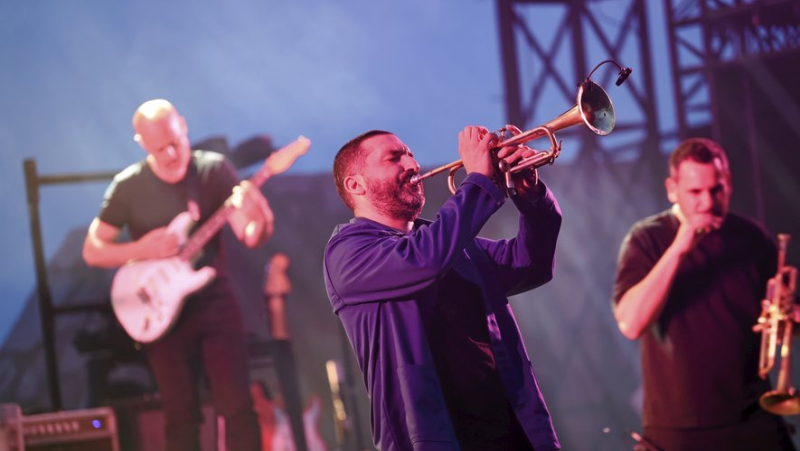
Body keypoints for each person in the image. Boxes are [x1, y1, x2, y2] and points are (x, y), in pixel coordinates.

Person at [323, 126, 562, 450]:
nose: (412, 165)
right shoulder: (348, 252)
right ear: (356, 184)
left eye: (410, 154)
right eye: (394, 158)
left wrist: (532, 197)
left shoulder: (448, 242)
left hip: (513, 435)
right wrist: (478, 178)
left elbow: (529, 265)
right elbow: (424, 259)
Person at [83, 99, 273, 451]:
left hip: (214, 302)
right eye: (160, 148)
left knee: (237, 406)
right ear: (141, 143)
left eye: (176, 141)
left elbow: (249, 235)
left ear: (184, 126)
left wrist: (259, 213)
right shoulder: (128, 186)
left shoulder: (213, 170)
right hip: (159, 310)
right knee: (180, 414)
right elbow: (93, 250)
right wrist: (141, 250)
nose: (172, 153)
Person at [612, 138, 795, 450]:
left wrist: (789, 315)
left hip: (754, 417)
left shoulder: (752, 236)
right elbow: (631, 323)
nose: (708, 203)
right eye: (695, 192)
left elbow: (782, 322)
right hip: (681, 427)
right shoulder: (647, 238)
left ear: (729, 184)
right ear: (672, 189)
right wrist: (681, 246)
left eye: (716, 189)